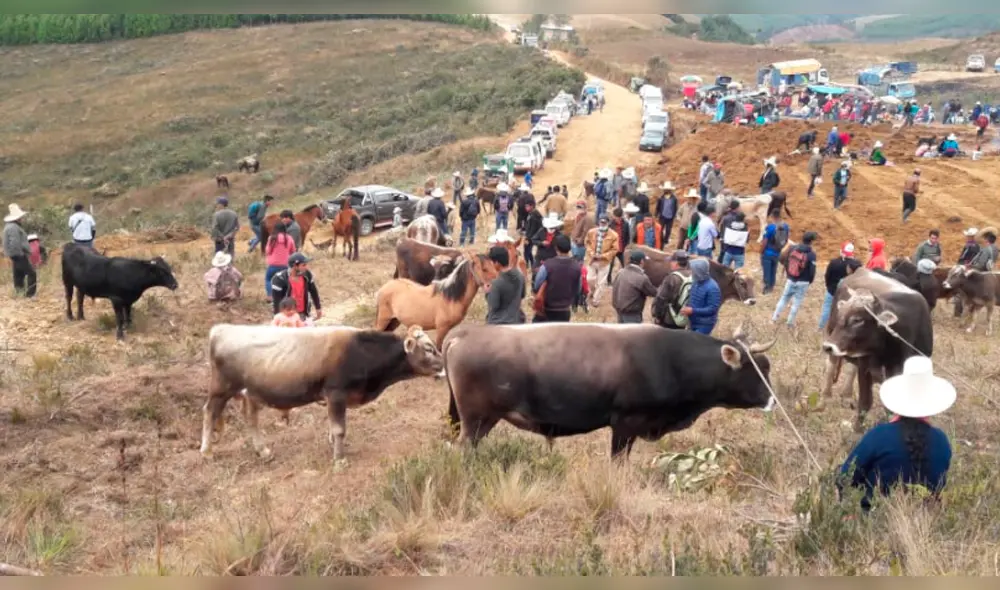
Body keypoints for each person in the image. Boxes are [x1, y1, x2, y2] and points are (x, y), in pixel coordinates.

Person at [838, 357, 954, 513]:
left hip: (872, 522)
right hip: (926, 520)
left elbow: (845, 478)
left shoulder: (879, 435)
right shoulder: (942, 441)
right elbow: (939, 486)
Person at [532, 235, 582, 323]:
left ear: (556, 248)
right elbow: (578, 289)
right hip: (565, 310)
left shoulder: (547, 266)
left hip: (547, 310)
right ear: (569, 248)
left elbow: (537, 285)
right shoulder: (577, 267)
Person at [772, 231, 818, 327]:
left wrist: (788, 273)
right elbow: (812, 270)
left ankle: (774, 318)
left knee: (784, 299)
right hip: (803, 282)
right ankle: (789, 323)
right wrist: (810, 281)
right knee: (796, 302)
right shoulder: (811, 254)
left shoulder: (793, 248)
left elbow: (782, 258)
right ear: (811, 242)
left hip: (790, 279)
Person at [819, 242, 860, 330]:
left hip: (832, 290)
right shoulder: (857, 264)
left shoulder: (834, 262)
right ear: (852, 252)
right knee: (842, 311)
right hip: (846, 293)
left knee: (827, 309)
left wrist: (829, 287)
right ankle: (837, 329)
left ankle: (821, 327)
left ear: (842, 250)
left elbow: (827, 276)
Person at [270, 253, 322, 321]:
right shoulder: (280, 279)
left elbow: (313, 291)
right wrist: (279, 317)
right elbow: (276, 301)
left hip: (302, 314)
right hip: (287, 315)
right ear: (295, 266)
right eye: (303, 265)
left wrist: (318, 308)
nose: (306, 267)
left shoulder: (307, 275)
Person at [611, 250, 658, 323]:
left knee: (622, 333)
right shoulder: (641, 277)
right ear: (641, 261)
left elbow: (615, 288)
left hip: (619, 311)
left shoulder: (621, 272)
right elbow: (653, 292)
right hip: (632, 314)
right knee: (633, 334)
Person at [652, 250, 692, 329]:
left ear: (676, 263)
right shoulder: (692, 275)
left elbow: (661, 298)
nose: (670, 263)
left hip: (669, 318)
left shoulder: (671, 278)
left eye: (671, 261)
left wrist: (658, 316)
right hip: (684, 316)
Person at [585, 214, 620, 307]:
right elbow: (587, 243)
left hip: (604, 262)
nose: (602, 224)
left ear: (608, 223)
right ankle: (592, 292)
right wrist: (591, 253)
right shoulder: (591, 232)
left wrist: (603, 256)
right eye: (601, 222)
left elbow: (615, 249)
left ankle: (596, 301)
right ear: (598, 222)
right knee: (589, 279)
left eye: (604, 222)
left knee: (601, 282)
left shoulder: (614, 235)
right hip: (592, 260)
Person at [485, 245, 525, 325]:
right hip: (516, 321)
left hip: (498, 324)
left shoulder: (496, 283)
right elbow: (523, 295)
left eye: (491, 262)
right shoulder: (520, 276)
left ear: (497, 263)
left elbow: (494, 305)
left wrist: (487, 292)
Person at [2, 204, 35, 298]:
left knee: (18, 274)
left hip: (14, 254)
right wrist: (20, 253)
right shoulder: (13, 227)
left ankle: (19, 292)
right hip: (18, 254)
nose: (22, 218)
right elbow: (15, 242)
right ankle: (30, 294)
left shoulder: (10, 226)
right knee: (31, 273)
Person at [683, 258, 721, 335]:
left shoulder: (713, 288)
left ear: (699, 271)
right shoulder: (696, 282)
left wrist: (693, 311)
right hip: (693, 321)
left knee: (695, 344)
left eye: (693, 270)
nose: (691, 272)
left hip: (704, 324)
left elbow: (712, 309)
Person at [264, 221, 296, 302]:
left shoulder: (271, 238)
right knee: (286, 280)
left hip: (273, 265)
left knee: (268, 279)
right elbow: (293, 251)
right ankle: (285, 296)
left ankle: (270, 296)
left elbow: (267, 251)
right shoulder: (289, 238)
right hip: (285, 265)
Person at [761, 209, 789, 295]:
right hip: (777, 252)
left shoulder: (770, 227)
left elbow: (765, 241)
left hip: (768, 252)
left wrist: (761, 251)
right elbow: (786, 239)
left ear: (772, 216)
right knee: (773, 269)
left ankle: (767, 287)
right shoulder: (786, 226)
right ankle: (772, 286)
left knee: (767, 270)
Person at [606, 207, 630, 283]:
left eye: (616, 217)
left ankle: (627, 280)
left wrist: (626, 246)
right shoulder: (610, 225)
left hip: (622, 248)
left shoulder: (626, 224)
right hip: (612, 249)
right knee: (610, 266)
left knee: (625, 265)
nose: (614, 218)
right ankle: (609, 281)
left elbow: (627, 236)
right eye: (614, 217)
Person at [655, 181, 678, 249]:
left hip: (670, 217)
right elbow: (658, 207)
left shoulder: (674, 198)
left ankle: (666, 240)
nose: (666, 190)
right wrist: (656, 214)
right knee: (660, 229)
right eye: (665, 189)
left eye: (668, 189)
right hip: (662, 216)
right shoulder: (661, 198)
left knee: (668, 230)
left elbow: (675, 207)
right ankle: (661, 240)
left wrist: (675, 215)